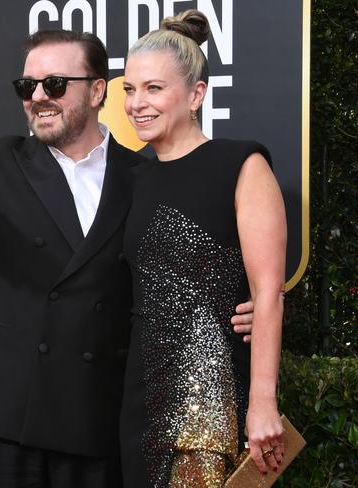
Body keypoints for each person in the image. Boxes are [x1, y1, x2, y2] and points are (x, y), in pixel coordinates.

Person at [0, 29, 254, 488]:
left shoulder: (143, 176)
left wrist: (243, 306)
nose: (37, 97)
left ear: (97, 91)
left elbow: (180, 271)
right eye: (26, 86)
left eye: (54, 84)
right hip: (11, 411)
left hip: (98, 414)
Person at [119, 10, 287, 487]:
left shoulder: (241, 164)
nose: (136, 103)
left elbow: (269, 291)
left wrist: (263, 403)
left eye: (153, 88)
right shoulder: (131, 177)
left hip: (212, 400)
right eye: (129, 89)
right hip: (139, 397)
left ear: (196, 94)